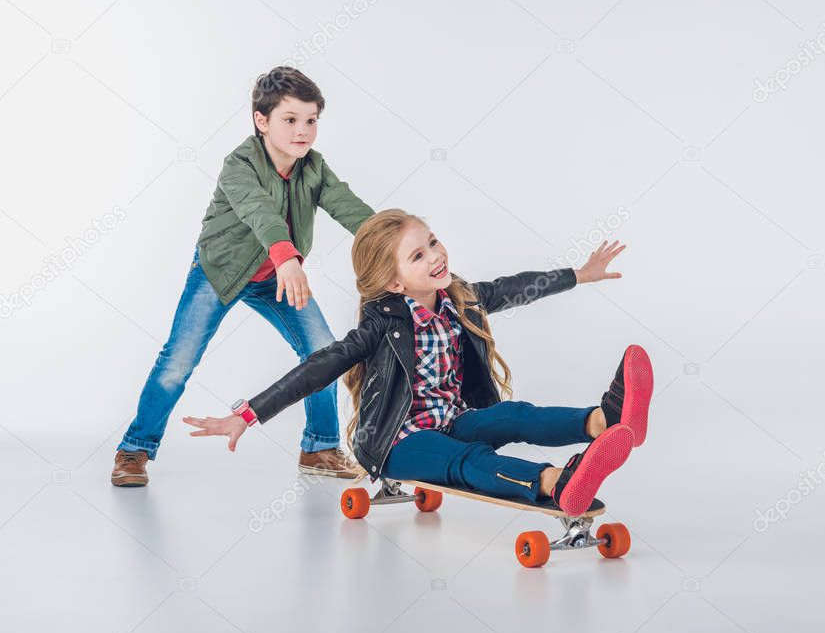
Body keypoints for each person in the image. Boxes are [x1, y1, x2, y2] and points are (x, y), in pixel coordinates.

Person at [185, 209, 654, 516]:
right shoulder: (379, 327)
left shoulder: (459, 299)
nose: (436, 255)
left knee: (514, 415)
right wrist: (247, 414)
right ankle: (556, 482)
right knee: (468, 461)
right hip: (398, 443)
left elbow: (516, 287)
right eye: (418, 254)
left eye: (432, 242)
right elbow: (316, 369)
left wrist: (578, 274)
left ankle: (605, 421)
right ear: (393, 283)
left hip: (452, 420)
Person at [112, 67, 374, 486]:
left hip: (275, 278)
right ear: (261, 120)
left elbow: (350, 208)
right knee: (178, 361)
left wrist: (393, 239)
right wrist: (287, 257)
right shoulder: (240, 164)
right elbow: (260, 213)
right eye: (290, 120)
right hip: (220, 272)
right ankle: (135, 448)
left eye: (311, 120)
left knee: (325, 352)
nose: (303, 131)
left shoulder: (314, 167)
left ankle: (320, 447)